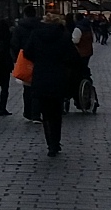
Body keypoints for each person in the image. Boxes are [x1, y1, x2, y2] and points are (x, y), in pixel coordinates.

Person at [23, 10, 77, 156]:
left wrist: (38, 59)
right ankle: (56, 142)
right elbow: (72, 56)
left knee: (45, 113)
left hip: (40, 75)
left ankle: (50, 144)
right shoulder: (64, 36)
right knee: (56, 112)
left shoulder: (36, 35)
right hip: (58, 76)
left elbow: (27, 52)